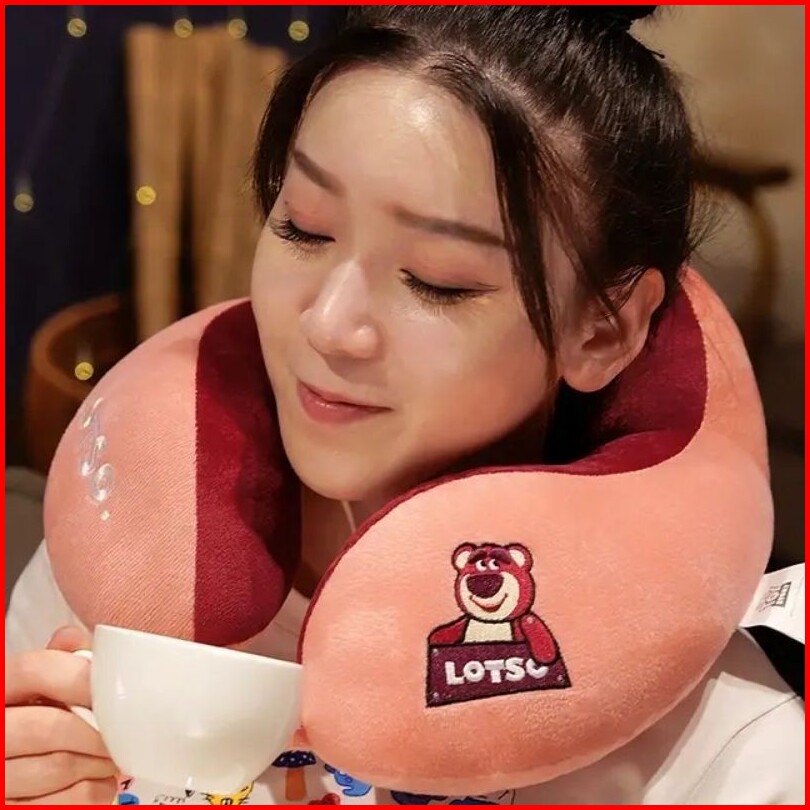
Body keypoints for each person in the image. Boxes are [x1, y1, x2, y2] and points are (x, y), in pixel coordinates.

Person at [5, 6, 804, 805]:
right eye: (303, 228)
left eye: (438, 280)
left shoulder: (727, 748)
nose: (330, 324)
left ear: (603, 329)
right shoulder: (127, 554)